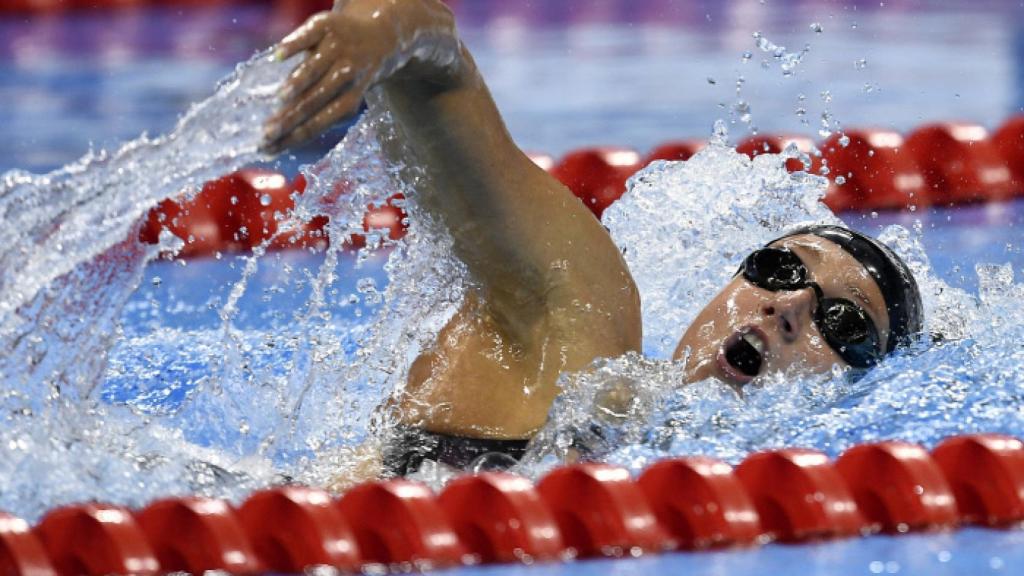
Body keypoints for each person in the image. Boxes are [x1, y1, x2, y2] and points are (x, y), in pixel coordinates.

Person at [262, 0, 924, 478]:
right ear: (728, 283)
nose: (791, 306)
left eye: (843, 323)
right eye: (779, 268)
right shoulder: (582, 328)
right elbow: (438, 72)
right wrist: (385, 26)